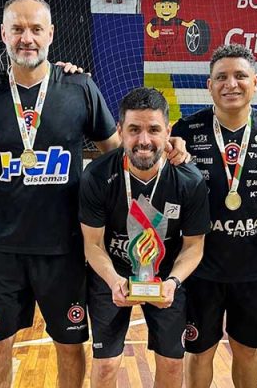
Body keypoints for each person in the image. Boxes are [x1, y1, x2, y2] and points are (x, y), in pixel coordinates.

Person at [0, 0, 188, 388]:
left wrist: (170, 146)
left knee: (68, 347)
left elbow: (122, 155)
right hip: (1, 251)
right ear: (3, 33)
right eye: (17, 29)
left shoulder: (80, 86)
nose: (26, 38)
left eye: (36, 29)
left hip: (64, 250)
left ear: (51, 33)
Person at [79, 87, 210, 388]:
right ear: (120, 130)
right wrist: (113, 281)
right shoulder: (97, 176)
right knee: (107, 365)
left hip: (164, 277)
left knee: (171, 365)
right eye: (134, 129)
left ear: (168, 131)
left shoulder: (189, 181)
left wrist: (173, 282)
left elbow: (194, 247)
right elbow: (93, 244)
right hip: (111, 273)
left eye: (153, 130)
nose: (144, 140)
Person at [172, 43, 257, 388]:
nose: (230, 84)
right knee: (200, 351)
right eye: (221, 77)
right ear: (209, 85)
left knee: (246, 349)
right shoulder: (186, 132)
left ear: (256, 82)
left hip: (253, 269)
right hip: (201, 268)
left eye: (239, 76)